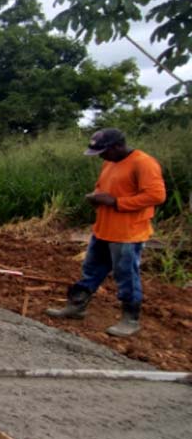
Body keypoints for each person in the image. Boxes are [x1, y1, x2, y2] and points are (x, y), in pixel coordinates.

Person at [45, 128, 166, 337]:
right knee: (91, 269)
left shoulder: (143, 163)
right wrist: (96, 196)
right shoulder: (110, 162)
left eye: (103, 151)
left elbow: (156, 195)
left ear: (117, 146)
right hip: (104, 229)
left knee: (126, 275)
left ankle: (130, 319)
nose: (100, 156)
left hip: (128, 233)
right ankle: (77, 306)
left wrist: (116, 202)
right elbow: (103, 187)